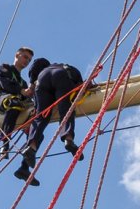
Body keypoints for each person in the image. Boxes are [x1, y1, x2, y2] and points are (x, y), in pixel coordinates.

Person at [15, 57, 86, 185]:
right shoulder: (65, 66)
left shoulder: (40, 70)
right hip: (62, 76)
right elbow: (80, 88)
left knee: (41, 117)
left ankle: (31, 147)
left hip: (41, 81)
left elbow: (35, 72)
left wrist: (33, 84)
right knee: (66, 109)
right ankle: (68, 139)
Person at [0, 47, 34, 159]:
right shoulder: (4, 68)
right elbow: (6, 84)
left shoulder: (23, 82)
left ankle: (30, 148)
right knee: (14, 103)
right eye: (25, 57)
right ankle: (5, 143)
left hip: (18, 104)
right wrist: (22, 91)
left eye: (29, 60)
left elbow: (26, 98)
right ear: (17, 55)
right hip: (1, 98)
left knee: (34, 112)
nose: (26, 61)